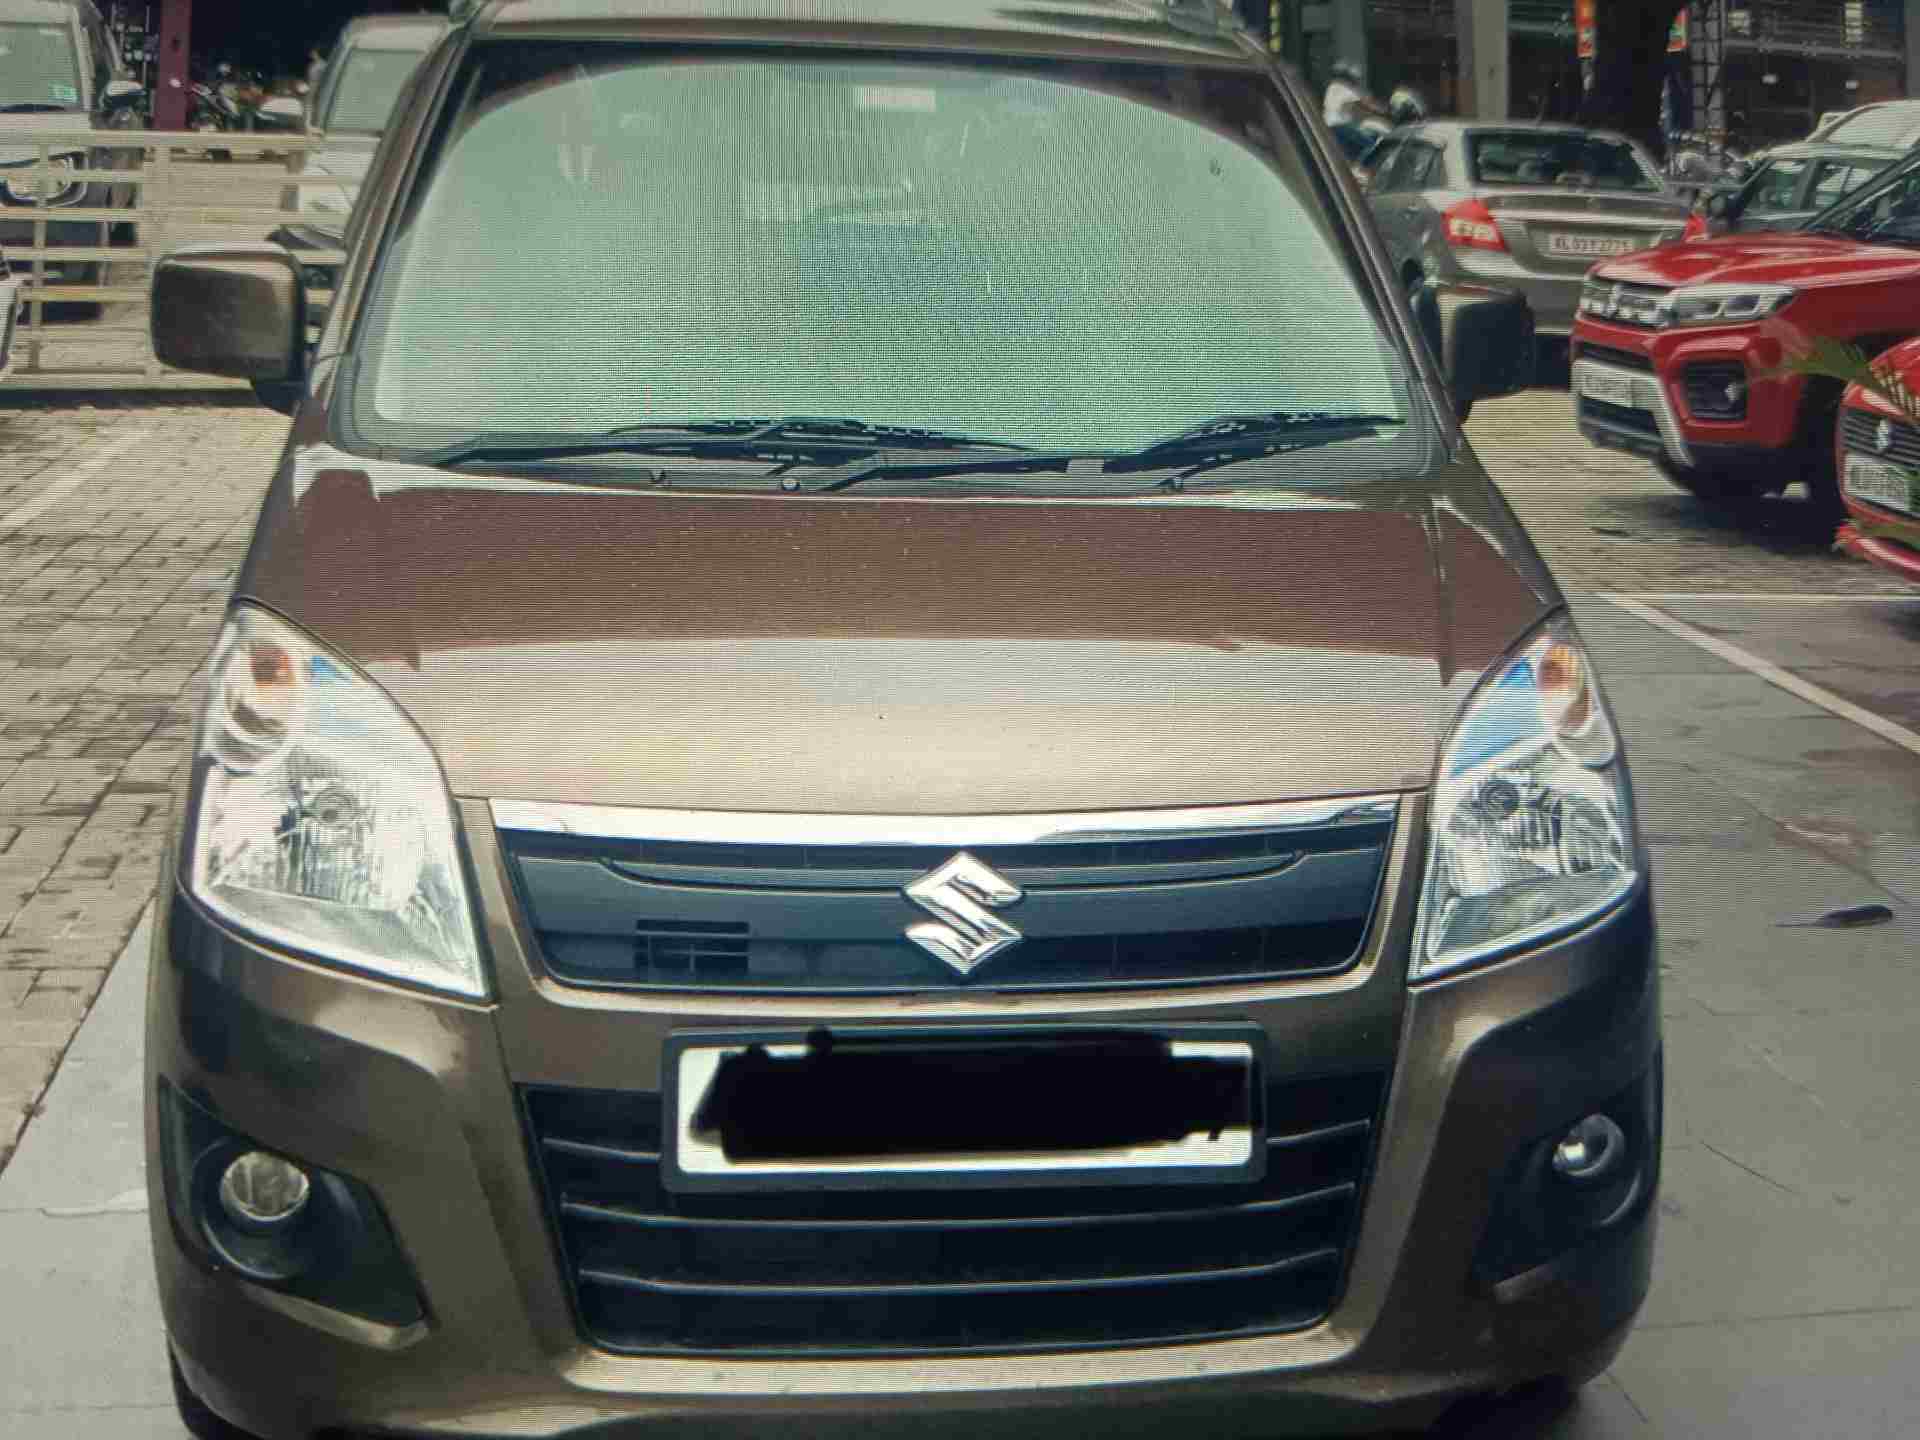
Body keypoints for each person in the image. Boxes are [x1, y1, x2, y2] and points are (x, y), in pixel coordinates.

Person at [1324, 59, 1389, 162]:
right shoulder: (1343, 87)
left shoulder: (1333, 87)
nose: (1355, 82)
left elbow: (1356, 107)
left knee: (1354, 152)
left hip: (1333, 127)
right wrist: (1385, 111)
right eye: (1354, 79)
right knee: (1374, 147)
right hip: (1340, 127)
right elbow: (1366, 103)